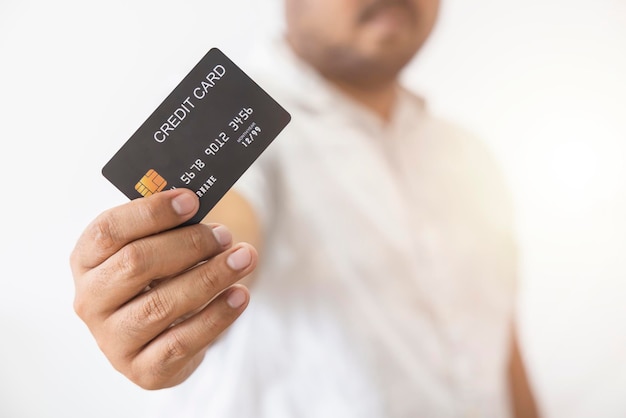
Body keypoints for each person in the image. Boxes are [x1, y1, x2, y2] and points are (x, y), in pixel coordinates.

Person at [70, 0, 541, 417]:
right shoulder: (241, 126)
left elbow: (499, 341)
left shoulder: (468, 153)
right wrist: (167, 290)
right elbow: (225, 220)